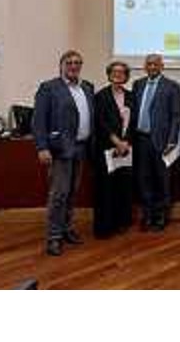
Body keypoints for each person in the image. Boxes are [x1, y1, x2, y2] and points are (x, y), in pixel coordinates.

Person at [32, 50, 94, 256]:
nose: (74, 66)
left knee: (72, 193)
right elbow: (38, 120)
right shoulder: (49, 87)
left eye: (77, 62)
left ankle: (67, 228)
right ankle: (54, 237)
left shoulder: (87, 87)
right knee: (59, 194)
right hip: (60, 149)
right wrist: (42, 147)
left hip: (81, 148)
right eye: (69, 62)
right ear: (62, 65)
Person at [131, 54, 180, 232]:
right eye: (149, 64)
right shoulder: (138, 84)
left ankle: (161, 216)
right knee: (144, 179)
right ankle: (148, 214)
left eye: (155, 64)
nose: (152, 67)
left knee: (162, 179)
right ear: (145, 66)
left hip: (162, 141)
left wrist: (172, 140)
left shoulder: (172, 86)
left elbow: (176, 115)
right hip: (141, 139)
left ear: (161, 66)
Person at [93, 61, 134, 238]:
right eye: (114, 72)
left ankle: (121, 222)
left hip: (126, 148)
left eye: (122, 72)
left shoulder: (131, 96)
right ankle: (105, 227)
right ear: (109, 74)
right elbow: (100, 122)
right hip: (107, 148)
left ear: (126, 76)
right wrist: (116, 141)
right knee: (106, 188)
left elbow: (134, 122)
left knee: (122, 185)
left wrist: (126, 142)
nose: (118, 75)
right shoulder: (100, 96)